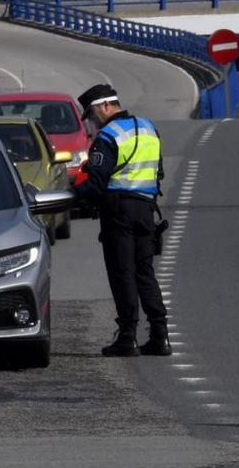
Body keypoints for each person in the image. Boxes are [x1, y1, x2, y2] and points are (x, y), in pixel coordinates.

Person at [73, 84, 170, 357]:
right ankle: (160, 335)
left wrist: (71, 196)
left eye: (91, 113)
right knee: (144, 272)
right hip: (146, 210)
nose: (91, 120)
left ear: (105, 106)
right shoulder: (149, 128)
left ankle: (128, 336)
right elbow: (158, 172)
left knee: (122, 273)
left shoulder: (108, 135)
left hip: (118, 212)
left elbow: (96, 183)